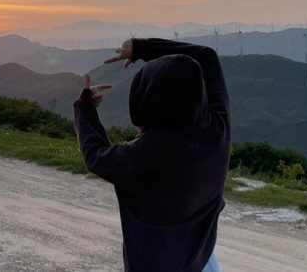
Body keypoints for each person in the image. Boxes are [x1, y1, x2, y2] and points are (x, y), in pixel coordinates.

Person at [74, 38, 231, 272]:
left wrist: (85, 107)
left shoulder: (144, 155)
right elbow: (207, 56)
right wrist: (142, 48)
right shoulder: (217, 130)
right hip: (202, 261)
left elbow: (94, 155)